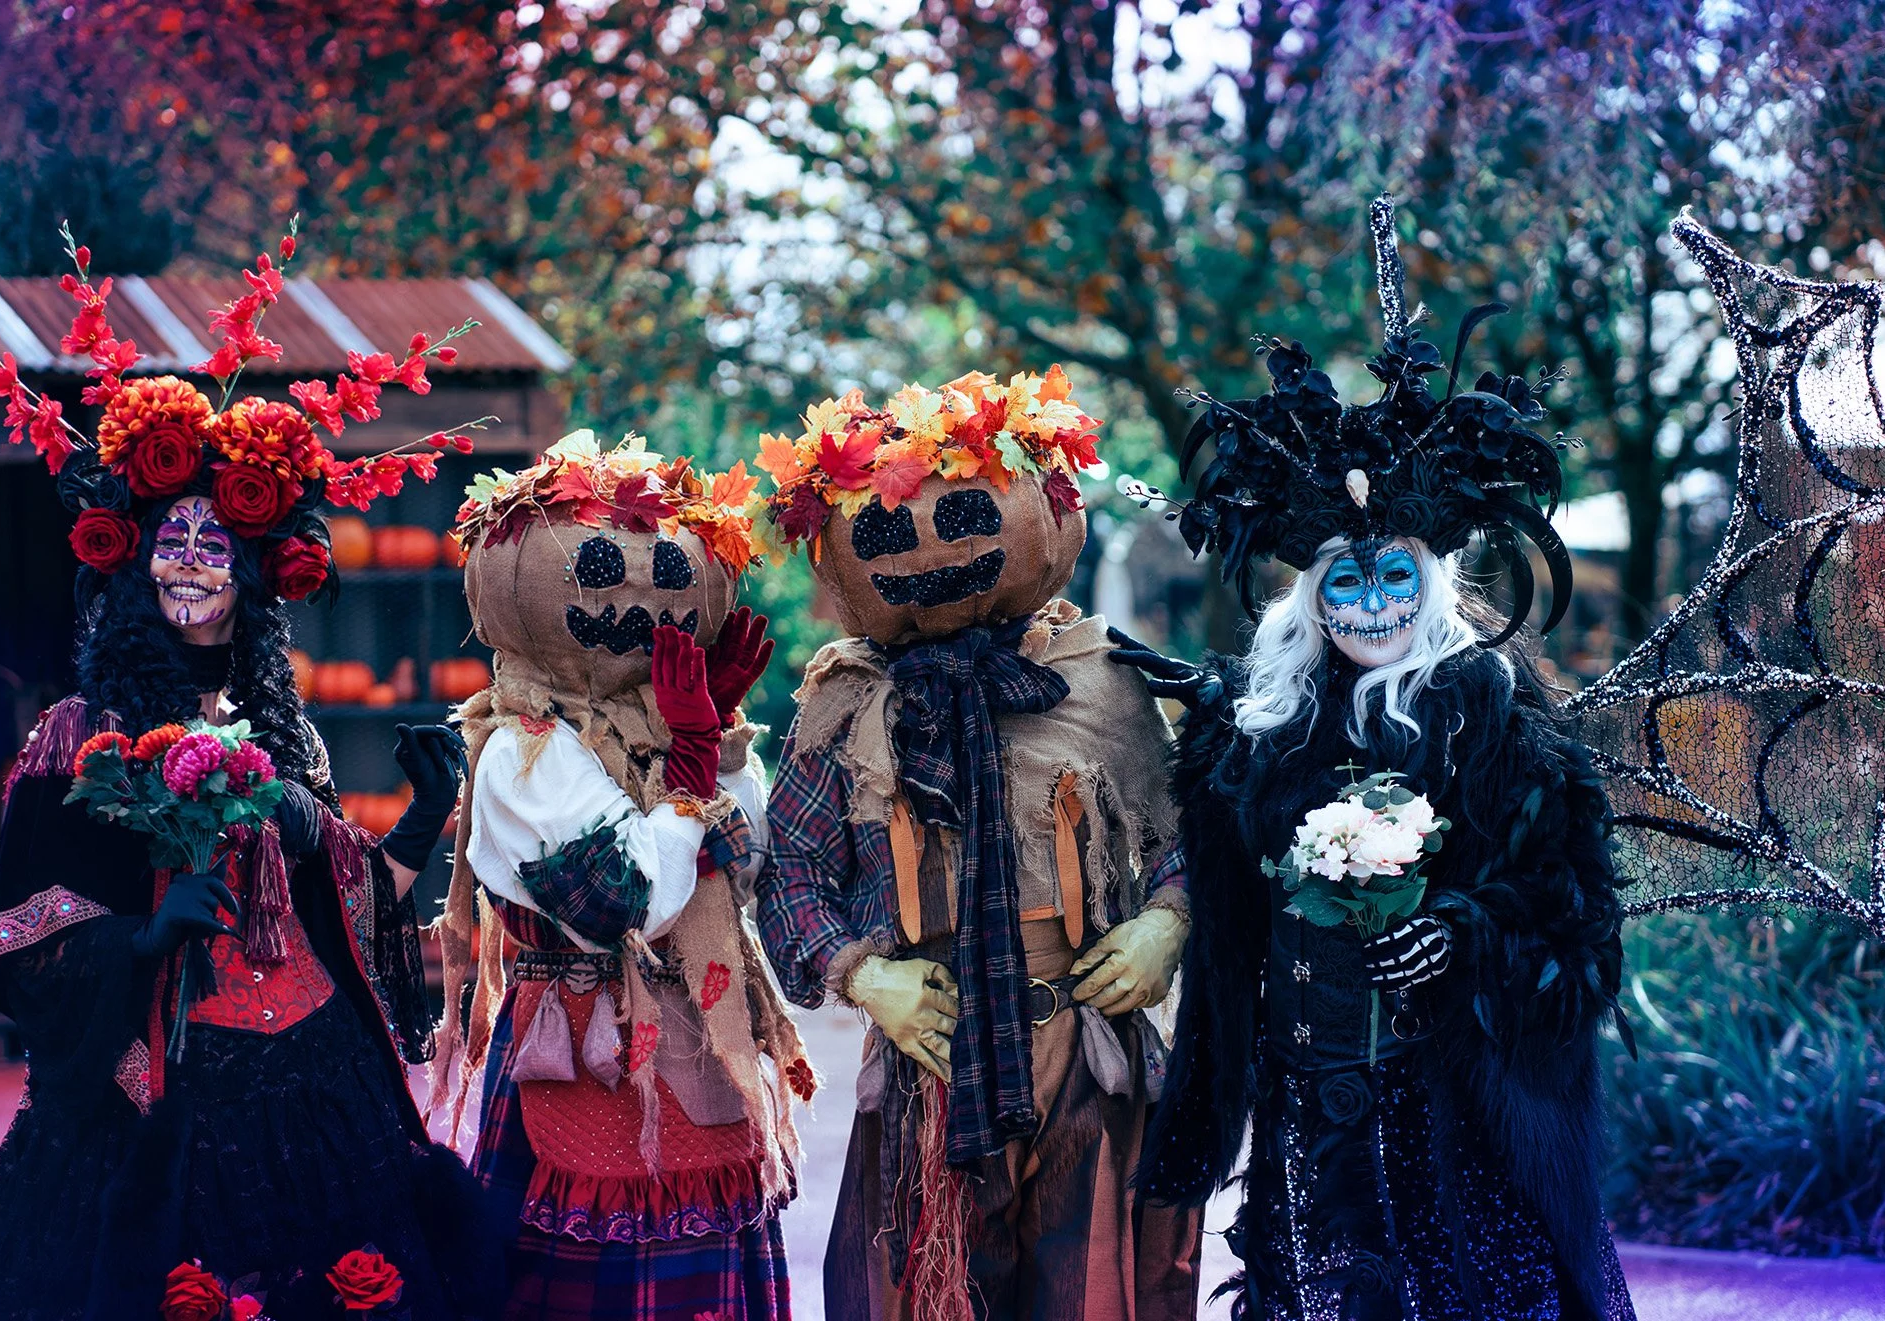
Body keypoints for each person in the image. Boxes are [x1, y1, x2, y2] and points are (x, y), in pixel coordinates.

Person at [1117, 199, 1637, 1321]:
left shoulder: (1493, 714)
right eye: (1344, 583)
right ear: (1310, 595)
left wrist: (1457, 931)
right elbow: (1229, 923)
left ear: (1430, 581)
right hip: (1309, 1110)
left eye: (1393, 575)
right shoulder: (1254, 727)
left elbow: (1579, 922)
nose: (1370, 605)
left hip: (1455, 1116)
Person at [0, 247, 493, 1320]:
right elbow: (18, 939)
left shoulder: (288, 739)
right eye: (174, 539)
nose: (195, 560)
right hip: (157, 1088)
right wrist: (140, 938)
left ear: (252, 575)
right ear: (134, 563)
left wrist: (427, 819)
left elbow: (349, 913)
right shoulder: (81, 737)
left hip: (316, 1080)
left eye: (217, 541)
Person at [752, 370, 1201, 1321]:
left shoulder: (1100, 679)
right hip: (929, 1055)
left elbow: (1184, 832)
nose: (927, 548)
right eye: (886, 531)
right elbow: (789, 867)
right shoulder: (842, 702)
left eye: (961, 516)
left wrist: (1167, 921)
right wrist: (861, 974)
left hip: (1087, 1053)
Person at [429, 433, 814, 1321]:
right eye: (602, 572)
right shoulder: (524, 750)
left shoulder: (675, 722)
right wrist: (691, 762)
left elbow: (746, 864)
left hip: (696, 1047)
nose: (636, 600)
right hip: (579, 1052)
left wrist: (710, 739)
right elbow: (627, 902)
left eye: (665, 577)